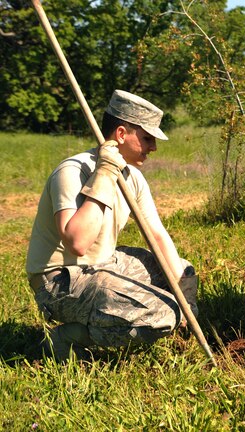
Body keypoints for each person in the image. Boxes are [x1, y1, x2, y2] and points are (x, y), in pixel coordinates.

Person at [26, 90, 198, 360]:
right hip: (61, 281)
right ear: (120, 134)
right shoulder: (74, 171)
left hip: (104, 265)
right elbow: (78, 243)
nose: (153, 147)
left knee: (182, 271)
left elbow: (157, 234)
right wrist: (104, 173)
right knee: (162, 315)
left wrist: (186, 298)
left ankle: (133, 312)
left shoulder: (134, 177)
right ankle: (66, 338)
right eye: (147, 138)